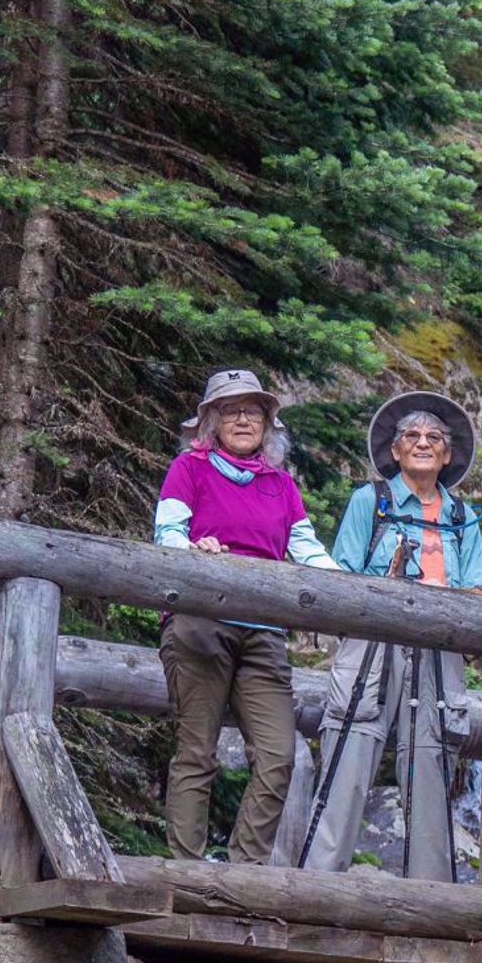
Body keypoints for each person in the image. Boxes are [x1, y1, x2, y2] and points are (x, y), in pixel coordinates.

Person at [300, 393, 482, 881]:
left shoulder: (463, 518)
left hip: (440, 649)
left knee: (431, 761)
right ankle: (317, 886)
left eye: (434, 439)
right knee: (348, 751)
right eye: (412, 437)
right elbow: (342, 574)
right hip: (370, 645)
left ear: (447, 455)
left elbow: (478, 591)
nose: (423, 443)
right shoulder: (371, 502)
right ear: (396, 450)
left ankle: (432, 900)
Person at [153, 369, 339, 863]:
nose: (242, 419)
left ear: (267, 424)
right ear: (209, 421)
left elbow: (307, 548)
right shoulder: (188, 469)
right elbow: (168, 534)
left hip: (264, 633)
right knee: (197, 752)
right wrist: (194, 550)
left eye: (252, 411)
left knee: (280, 757)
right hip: (198, 623)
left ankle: (242, 871)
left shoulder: (280, 484)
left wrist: (351, 588)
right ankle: (186, 872)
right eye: (230, 410)